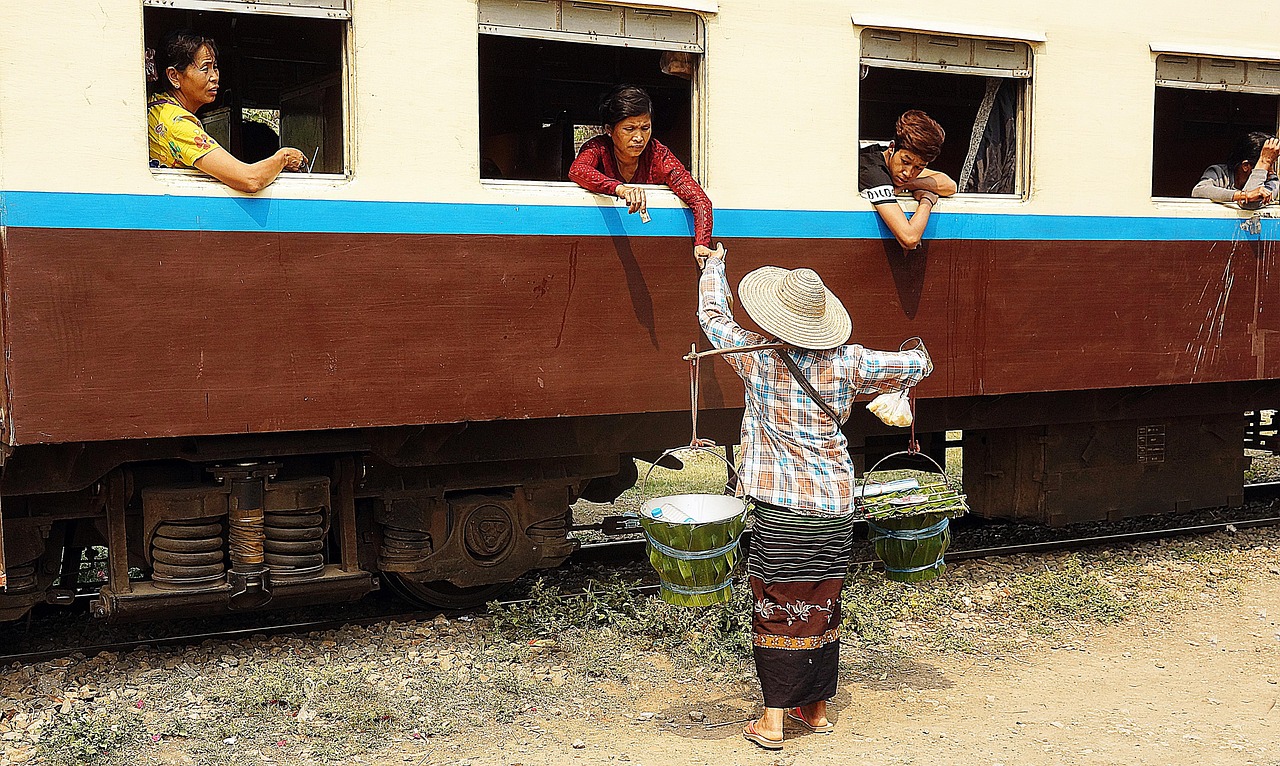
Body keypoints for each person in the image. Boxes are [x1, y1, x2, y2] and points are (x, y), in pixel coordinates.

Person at [695, 245, 932, 750]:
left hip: (781, 508)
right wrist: (906, 367)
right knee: (822, 601)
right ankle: (817, 711)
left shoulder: (753, 356)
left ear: (775, 316)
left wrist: (713, 264)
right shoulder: (850, 360)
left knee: (777, 605)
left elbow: (713, 316)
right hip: (835, 505)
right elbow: (916, 363)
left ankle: (774, 722)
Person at [569, 84, 716, 263]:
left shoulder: (658, 155)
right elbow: (578, 170)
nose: (639, 137)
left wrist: (702, 243)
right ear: (609, 129)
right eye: (629, 129)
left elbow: (699, 200)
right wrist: (620, 189)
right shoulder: (598, 149)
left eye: (645, 128)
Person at [146, 30, 308, 193]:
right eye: (204, 68)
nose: (214, 77)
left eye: (214, 67)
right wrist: (284, 158)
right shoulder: (177, 124)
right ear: (174, 76)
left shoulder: (157, 107)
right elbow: (250, 180)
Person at [858, 110, 957, 250]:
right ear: (892, 147)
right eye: (905, 161)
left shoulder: (897, 167)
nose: (908, 172)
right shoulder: (873, 172)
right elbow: (909, 238)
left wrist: (910, 184)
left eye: (919, 168)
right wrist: (927, 200)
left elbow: (949, 185)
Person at [1191, 132, 1279, 210]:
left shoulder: (1272, 181)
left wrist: (1264, 163)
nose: (1271, 171)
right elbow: (1198, 191)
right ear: (1245, 166)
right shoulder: (1219, 173)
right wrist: (1243, 195)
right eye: (1269, 165)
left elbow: (1249, 204)